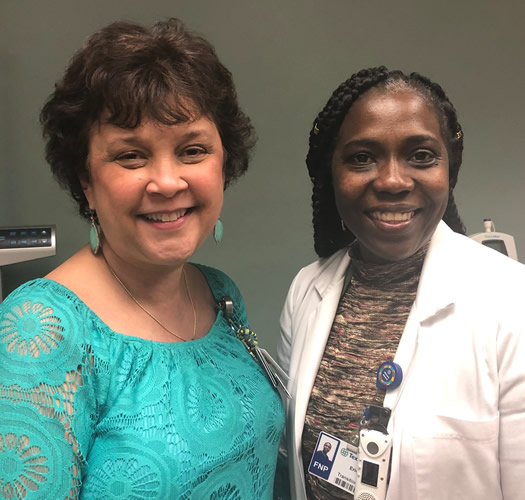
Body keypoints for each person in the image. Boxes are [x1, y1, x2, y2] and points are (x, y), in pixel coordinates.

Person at [0, 19, 284, 499]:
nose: (168, 182)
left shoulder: (220, 294)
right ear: (85, 181)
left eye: (192, 150)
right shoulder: (42, 332)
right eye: (131, 157)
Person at [277, 66, 525, 499]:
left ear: (450, 168)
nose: (392, 180)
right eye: (361, 157)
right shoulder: (305, 290)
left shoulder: (510, 300)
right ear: (330, 175)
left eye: (421, 155)